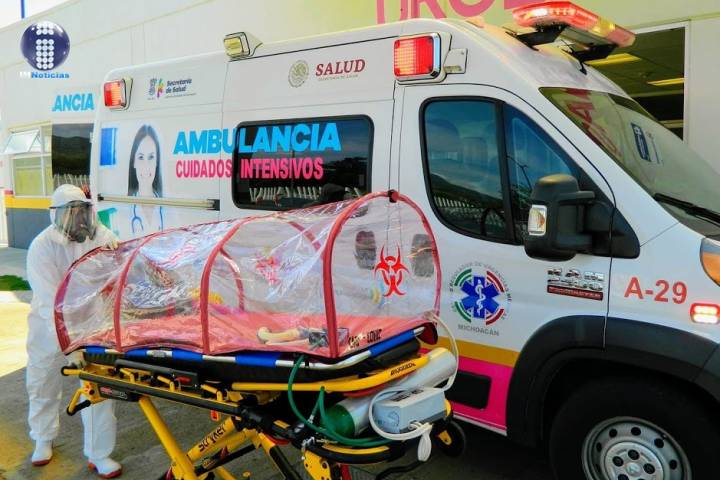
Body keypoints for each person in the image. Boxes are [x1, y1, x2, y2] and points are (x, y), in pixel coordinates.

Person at [26, 184, 122, 478]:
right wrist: (68, 344)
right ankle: (43, 438)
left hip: (92, 322)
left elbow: (115, 269)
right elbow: (50, 300)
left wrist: (118, 253)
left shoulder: (100, 236)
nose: (79, 219)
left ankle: (99, 454)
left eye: (82, 212)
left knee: (96, 388)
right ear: (56, 215)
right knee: (43, 382)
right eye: (72, 212)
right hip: (50, 326)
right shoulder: (43, 246)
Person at [127, 125, 164, 234]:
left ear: (157, 162)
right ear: (134, 162)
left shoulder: (167, 208)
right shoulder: (125, 208)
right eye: (141, 157)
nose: (146, 166)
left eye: (151, 157)